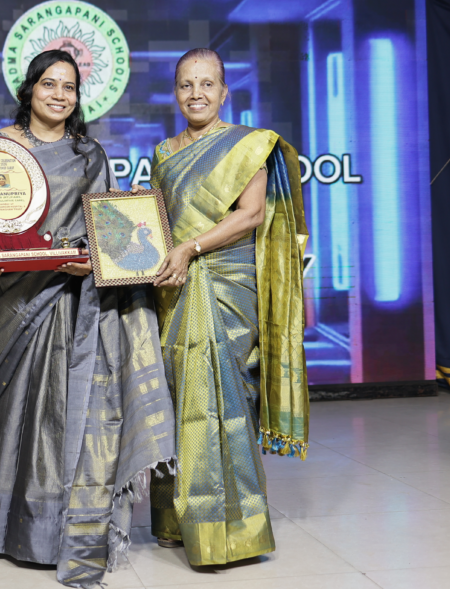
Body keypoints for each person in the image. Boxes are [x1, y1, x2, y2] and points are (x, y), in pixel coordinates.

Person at [0, 50, 177, 587]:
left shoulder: (89, 155)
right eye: (49, 84)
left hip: (69, 301)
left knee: (62, 416)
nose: (59, 95)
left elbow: (108, 228)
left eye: (69, 87)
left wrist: (95, 257)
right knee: (10, 412)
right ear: (29, 89)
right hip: (12, 298)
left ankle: (53, 532)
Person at [144, 48, 310, 566]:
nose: (196, 94)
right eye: (186, 84)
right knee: (176, 402)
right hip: (174, 287)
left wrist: (190, 249)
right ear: (176, 92)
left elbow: (251, 215)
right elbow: (159, 221)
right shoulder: (164, 153)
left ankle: (231, 531)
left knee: (224, 404)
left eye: (207, 84)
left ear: (224, 91)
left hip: (226, 285)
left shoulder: (247, 145)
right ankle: (175, 521)